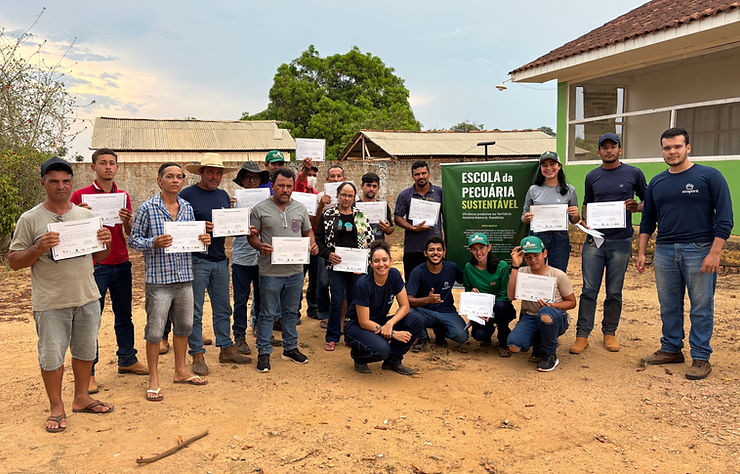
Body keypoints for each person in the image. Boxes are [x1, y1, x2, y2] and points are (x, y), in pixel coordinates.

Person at [9, 157, 114, 433]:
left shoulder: (86, 217)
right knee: (51, 356)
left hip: (87, 296)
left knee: (85, 350)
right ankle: (56, 406)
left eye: (66, 181)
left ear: (72, 183)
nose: (61, 186)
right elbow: (14, 262)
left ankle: (82, 397)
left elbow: (99, 257)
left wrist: (105, 243)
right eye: (54, 181)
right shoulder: (30, 219)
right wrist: (38, 248)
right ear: (43, 183)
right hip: (51, 301)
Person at [637, 127, 733, 380]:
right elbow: (647, 220)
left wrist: (715, 252)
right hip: (665, 250)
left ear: (688, 148)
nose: (672, 151)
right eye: (667, 148)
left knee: (701, 305)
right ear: (662, 151)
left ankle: (700, 357)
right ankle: (671, 348)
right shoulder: (657, 182)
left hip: (699, 250)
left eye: (677, 146)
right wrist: (641, 252)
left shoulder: (709, 176)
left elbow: (725, 217)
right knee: (669, 304)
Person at [130, 162, 211, 401]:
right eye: (169, 176)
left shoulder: (187, 208)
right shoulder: (147, 208)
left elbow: (192, 241)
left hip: (184, 277)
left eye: (179, 177)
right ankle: (153, 378)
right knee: (155, 331)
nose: (175, 180)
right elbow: (134, 240)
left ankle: (180, 370)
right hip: (159, 280)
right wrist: (153, 242)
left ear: (183, 181)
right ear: (160, 181)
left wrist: (202, 240)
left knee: (184, 327)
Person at [70, 148, 148, 394]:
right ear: (93, 167)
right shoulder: (80, 196)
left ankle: (127, 359)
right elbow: (73, 233)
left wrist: (127, 220)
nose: (108, 167)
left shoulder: (123, 196)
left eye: (112, 163)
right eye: (102, 163)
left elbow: (129, 234)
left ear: (117, 167)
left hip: (121, 262)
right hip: (95, 265)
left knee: (125, 315)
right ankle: (89, 372)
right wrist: (80, 215)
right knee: (91, 319)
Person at [570, 133, 647, 354]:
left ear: (620, 150)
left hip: (621, 241)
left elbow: (647, 202)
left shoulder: (634, 173)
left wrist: (636, 207)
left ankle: (609, 332)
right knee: (589, 290)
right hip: (595, 240)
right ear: (599, 152)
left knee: (614, 291)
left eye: (613, 146)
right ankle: (582, 335)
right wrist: (586, 221)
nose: (609, 150)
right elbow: (588, 203)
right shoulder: (592, 176)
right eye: (604, 147)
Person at [180, 153, 251, 376]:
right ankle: (197, 354)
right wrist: (200, 227)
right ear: (201, 172)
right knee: (195, 310)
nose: (214, 176)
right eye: (210, 172)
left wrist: (241, 226)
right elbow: (178, 225)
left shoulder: (223, 195)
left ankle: (226, 347)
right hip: (196, 259)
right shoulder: (186, 195)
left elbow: (227, 227)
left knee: (223, 307)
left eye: (218, 173)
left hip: (220, 259)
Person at [248, 168, 319, 373]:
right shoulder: (260, 209)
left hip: (295, 270)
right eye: (281, 185)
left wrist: (312, 244)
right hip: (270, 272)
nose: (285, 190)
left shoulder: (300, 208)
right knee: (267, 313)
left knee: (291, 312)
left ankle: (290, 348)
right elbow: (251, 236)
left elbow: (308, 232)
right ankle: (264, 351)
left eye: (289, 186)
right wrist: (259, 246)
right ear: (273, 186)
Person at [344, 241, 423, 375]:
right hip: (356, 325)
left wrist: (390, 324)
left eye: (384, 260)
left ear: (391, 261)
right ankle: (359, 356)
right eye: (376, 261)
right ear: (370, 263)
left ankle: (393, 361)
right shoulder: (363, 284)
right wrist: (393, 333)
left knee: (416, 320)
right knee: (382, 350)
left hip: (379, 321)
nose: (381, 264)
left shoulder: (394, 275)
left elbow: (405, 306)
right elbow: (364, 322)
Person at [316, 181, 375, 351]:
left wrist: (364, 262)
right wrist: (328, 254)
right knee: (337, 299)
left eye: (350, 195)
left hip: (356, 267)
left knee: (355, 300)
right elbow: (318, 240)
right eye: (343, 195)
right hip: (336, 266)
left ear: (354, 197)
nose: (346, 198)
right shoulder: (328, 215)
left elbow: (370, 241)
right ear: (338, 195)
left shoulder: (360, 216)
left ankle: (351, 336)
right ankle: (332, 336)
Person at [506, 236, 576, 372]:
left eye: (536, 255)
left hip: (554, 316)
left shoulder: (558, 274)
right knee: (514, 345)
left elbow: (572, 302)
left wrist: (552, 306)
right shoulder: (521, 272)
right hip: (531, 316)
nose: (533, 260)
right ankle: (538, 342)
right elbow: (511, 296)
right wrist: (515, 266)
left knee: (545, 314)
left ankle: (549, 354)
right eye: (528, 257)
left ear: (544, 253)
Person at [230, 161, 269, 355]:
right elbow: (227, 229)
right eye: (248, 177)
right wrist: (230, 212)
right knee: (241, 299)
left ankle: (262, 330)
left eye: (255, 177)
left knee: (263, 297)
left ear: (260, 180)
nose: (252, 180)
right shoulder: (233, 203)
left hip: (263, 258)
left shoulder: (269, 203)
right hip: (242, 258)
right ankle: (239, 336)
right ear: (242, 181)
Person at [521, 151, 580, 272]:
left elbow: (574, 221)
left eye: (552, 164)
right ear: (540, 168)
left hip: (560, 238)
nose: (548, 168)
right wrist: (526, 218)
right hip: (537, 236)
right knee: (536, 272)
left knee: (557, 273)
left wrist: (576, 215)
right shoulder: (533, 190)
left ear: (559, 166)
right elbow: (523, 217)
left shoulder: (570, 190)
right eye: (544, 165)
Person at [407, 237, 468, 351]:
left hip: (447, 311)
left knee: (461, 336)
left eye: (439, 249)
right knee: (408, 311)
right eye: (431, 250)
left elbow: (466, 281)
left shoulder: (452, 268)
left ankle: (441, 330)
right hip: (425, 312)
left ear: (444, 252)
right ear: (425, 253)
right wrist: (427, 300)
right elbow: (408, 300)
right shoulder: (417, 272)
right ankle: (423, 338)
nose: (435, 253)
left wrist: (474, 288)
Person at [462, 233, 516, 357]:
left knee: (501, 306)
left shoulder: (501, 266)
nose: (478, 252)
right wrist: (472, 293)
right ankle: (488, 332)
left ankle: (503, 337)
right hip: (481, 311)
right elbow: (467, 289)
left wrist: (490, 312)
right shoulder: (469, 267)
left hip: (500, 309)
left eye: (482, 247)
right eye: (474, 249)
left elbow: (505, 295)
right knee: (478, 335)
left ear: (489, 247)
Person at [394, 161, 443, 281]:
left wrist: (444, 243)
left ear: (429, 174)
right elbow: (397, 217)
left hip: (435, 248)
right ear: (412, 176)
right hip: (413, 249)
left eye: (423, 173)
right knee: (412, 284)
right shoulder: (405, 195)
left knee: (435, 283)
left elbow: (446, 216)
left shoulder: (439, 192)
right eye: (417, 174)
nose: (421, 176)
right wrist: (413, 228)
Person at [360, 172, 394, 241]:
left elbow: (391, 228)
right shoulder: (354, 206)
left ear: (378, 188)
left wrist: (388, 229)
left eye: (374, 186)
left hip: (378, 245)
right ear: (362, 186)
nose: (371, 189)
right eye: (368, 185)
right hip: (360, 245)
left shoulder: (383, 206)